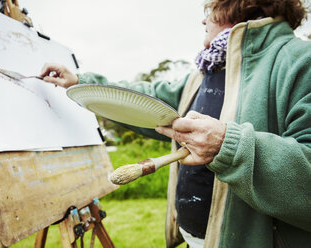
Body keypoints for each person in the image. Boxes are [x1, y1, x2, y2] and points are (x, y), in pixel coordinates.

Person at [40, 0, 311, 247]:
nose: (203, 21)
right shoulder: (206, 72)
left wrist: (226, 147)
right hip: (195, 239)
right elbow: (148, 102)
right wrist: (81, 82)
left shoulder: (302, 60)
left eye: (210, 11)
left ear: (240, 5)